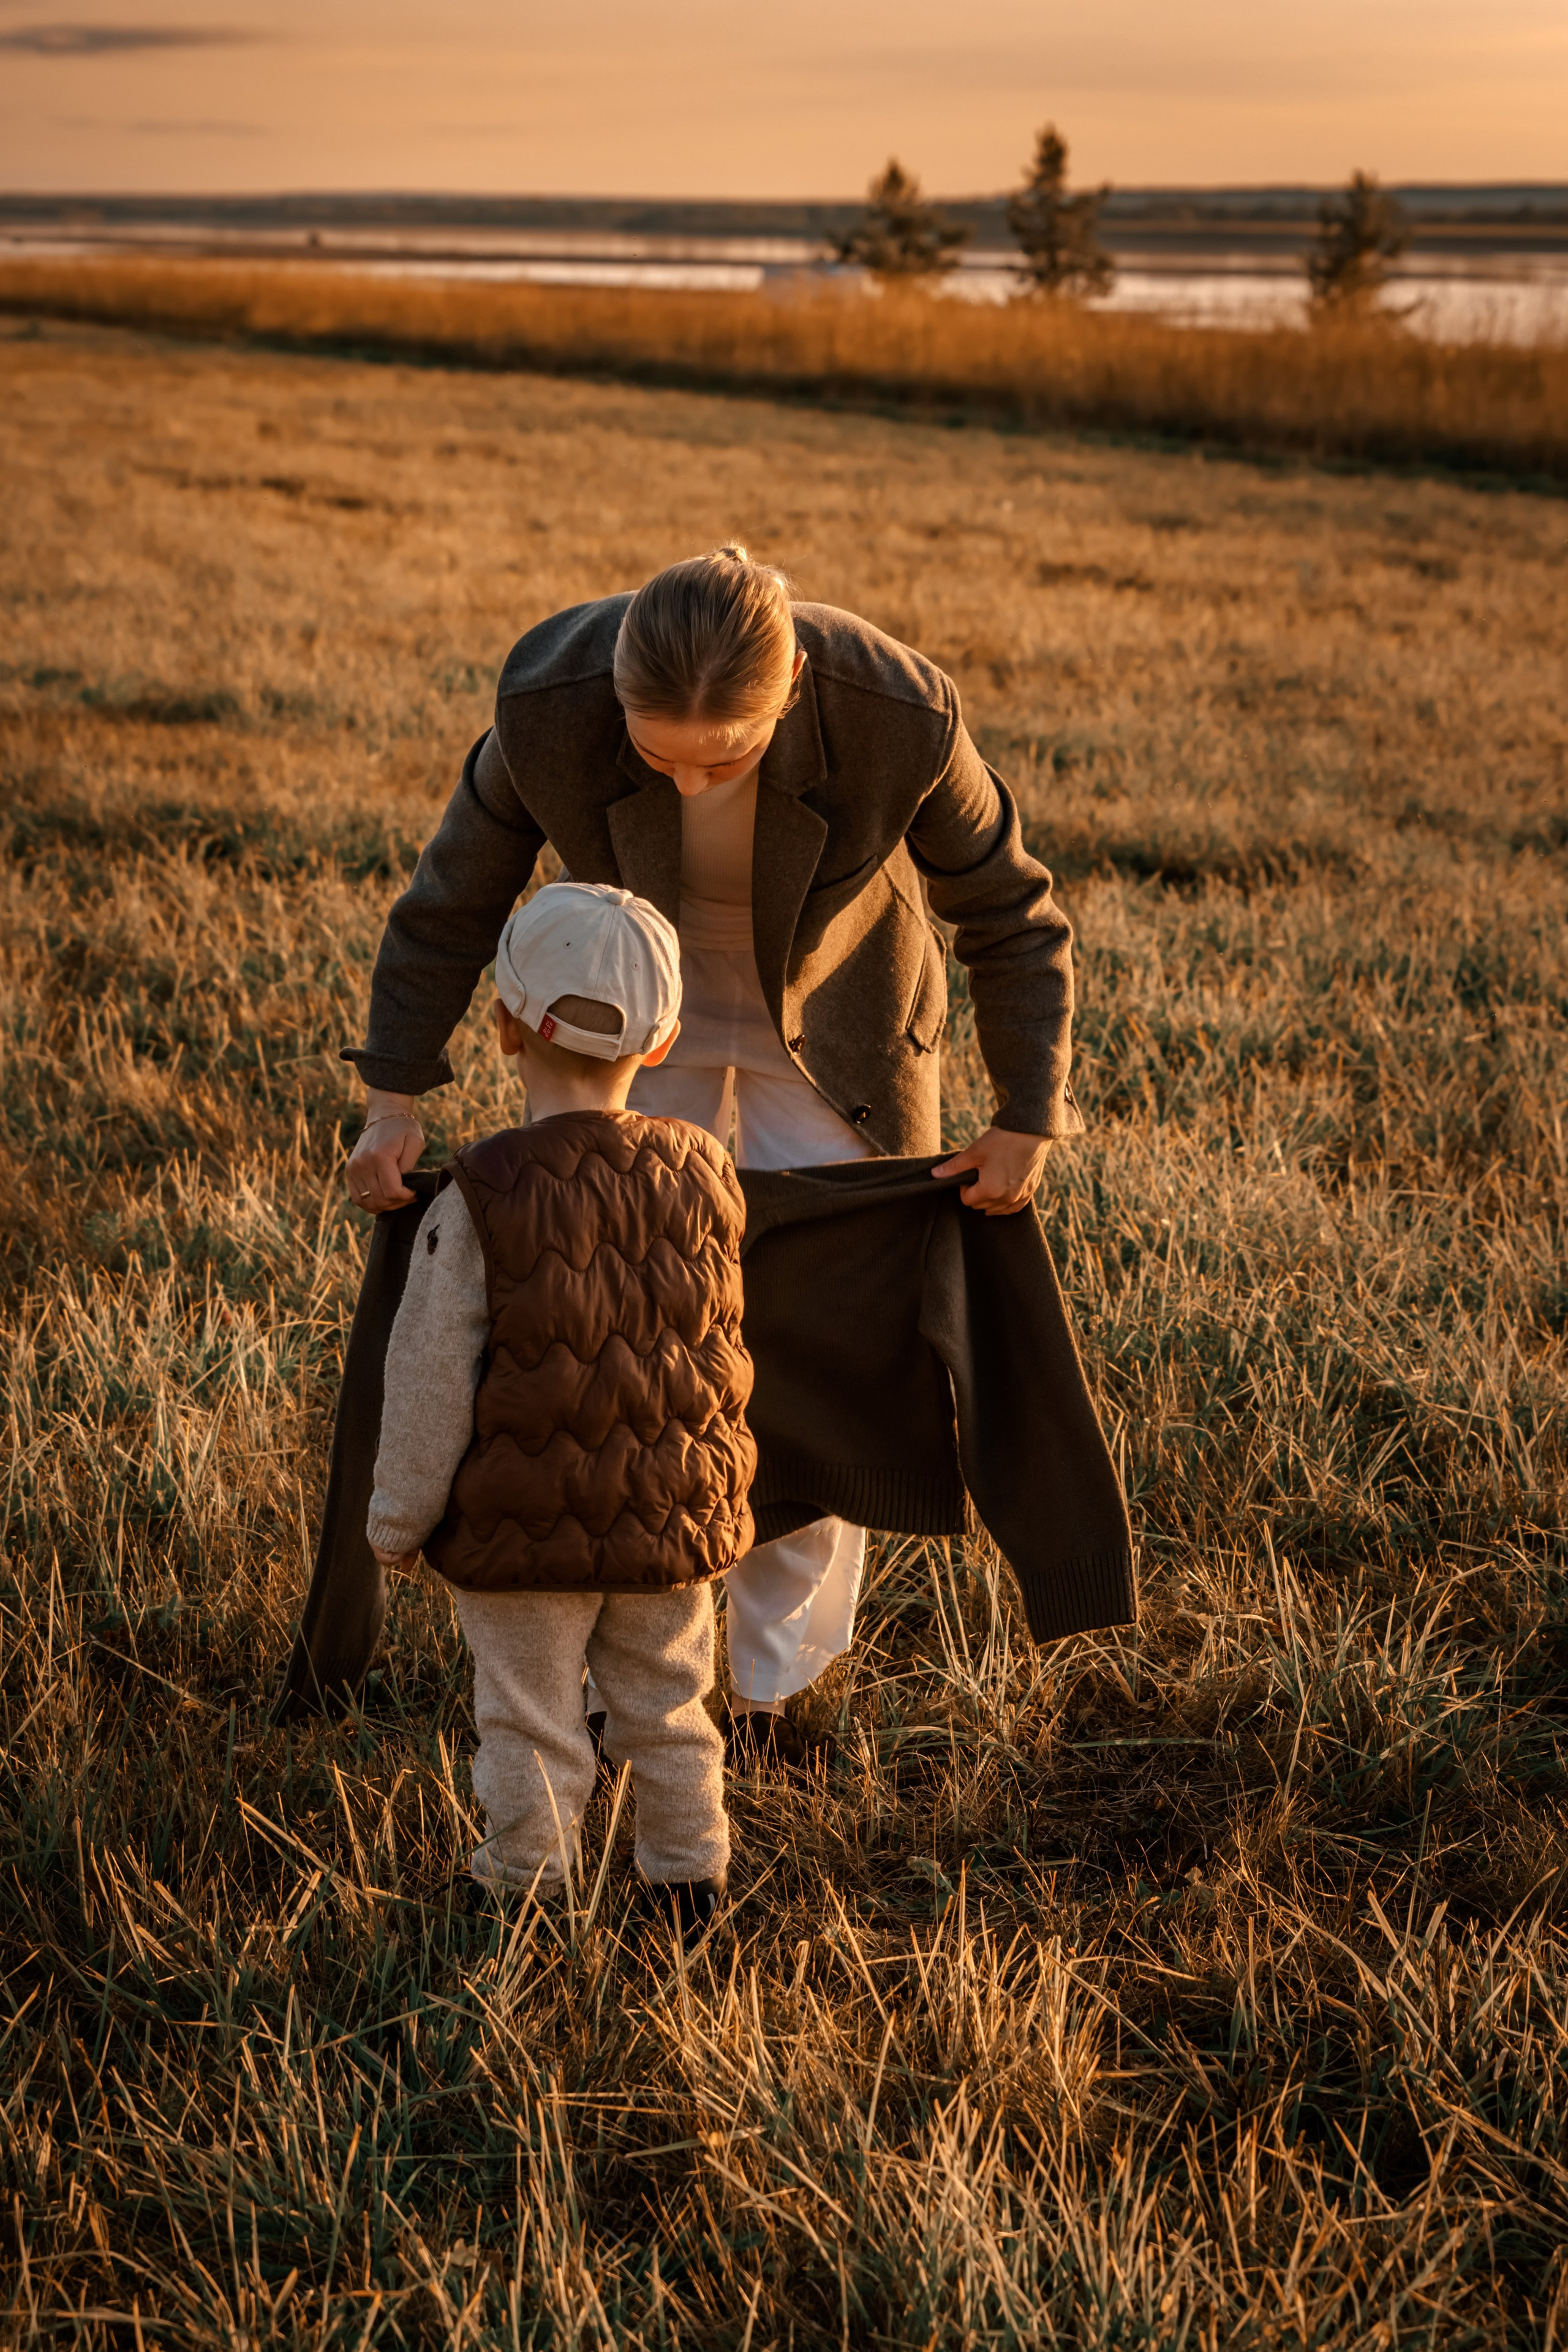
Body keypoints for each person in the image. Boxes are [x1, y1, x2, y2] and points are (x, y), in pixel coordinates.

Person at [345, 547, 1082, 1763]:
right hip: (640, 1013)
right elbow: (449, 903)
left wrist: (1025, 1113)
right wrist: (390, 1100)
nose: (689, 784)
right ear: (610, 700)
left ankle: (765, 1690)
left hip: (838, 1023)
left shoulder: (901, 713)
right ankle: (616, 1660)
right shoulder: (546, 705)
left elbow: (1008, 912)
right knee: (613, 1325)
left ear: (792, 682)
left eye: (724, 756)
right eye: (655, 756)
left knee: (819, 1342)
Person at [365, 883, 755, 1945]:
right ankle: (689, 1886)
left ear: (501, 1023)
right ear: (667, 1036)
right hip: (671, 1524)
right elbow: (713, 1352)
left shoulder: (481, 1193)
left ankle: (524, 1899)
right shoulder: (709, 1174)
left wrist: (397, 1517)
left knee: (531, 1721)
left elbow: (431, 1376)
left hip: (521, 1530)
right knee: (672, 1709)